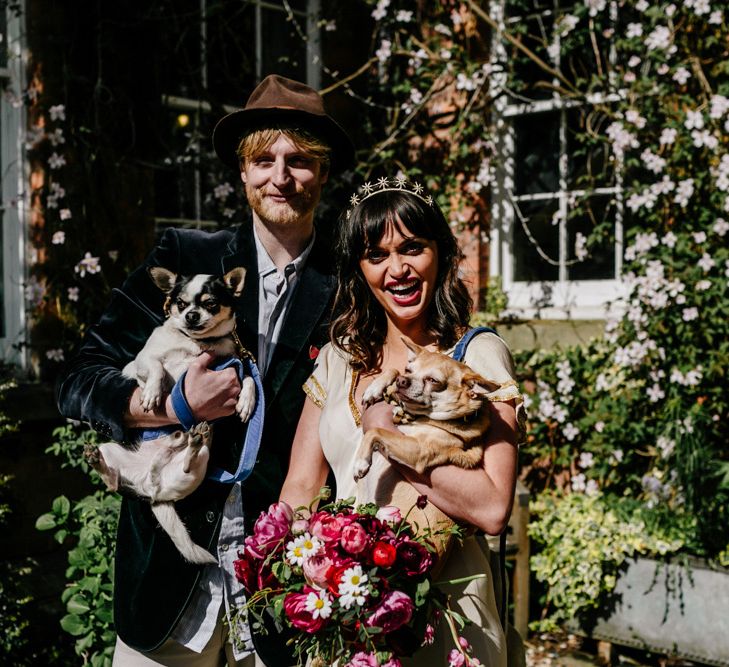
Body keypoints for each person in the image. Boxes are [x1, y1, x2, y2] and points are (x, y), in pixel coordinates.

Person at [56, 74, 354, 666]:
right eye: (263, 160)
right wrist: (172, 407)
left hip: (287, 582)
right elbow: (80, 377)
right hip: (170, 575)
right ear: (242, 172)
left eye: (298, 161)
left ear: (321, 172)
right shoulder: (185, 257)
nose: (281, 176)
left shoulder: (349, 283)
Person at [279, 180, 526, 666]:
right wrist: (303, 564)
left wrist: (387, 437)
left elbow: (494, 507)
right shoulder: (337, 360)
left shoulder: (475, 356)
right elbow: (302, 484)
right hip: (349, 621)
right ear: (360, 269)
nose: (398, 269)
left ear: (442, 254)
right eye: (378, 255)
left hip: (449, 626)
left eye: (413, 248)